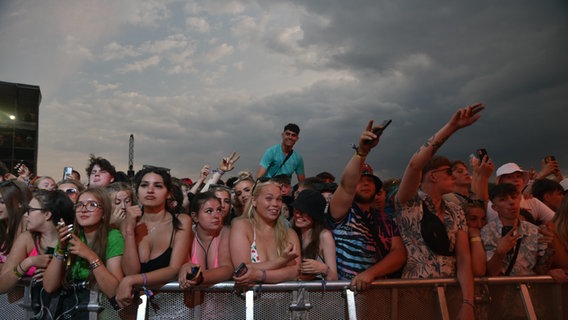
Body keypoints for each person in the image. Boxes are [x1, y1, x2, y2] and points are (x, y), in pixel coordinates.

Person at [395, 103, 484, 320]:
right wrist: (451, 128)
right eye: (448, 172)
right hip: (415, 297)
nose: (454, 176)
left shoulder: (455, 211)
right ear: (433, 176)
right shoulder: (409, 203)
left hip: (451, 294)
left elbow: (463, 259)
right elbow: (415, 165)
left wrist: (468, 303)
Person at [328, 120, 406, 291]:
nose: (365, 184)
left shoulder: (384, 219)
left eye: (370, 180)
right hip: (345, 295)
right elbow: (347, 185)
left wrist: (371, 273)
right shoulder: (342, 214)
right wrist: (362, 152)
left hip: (377, 295)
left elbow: (399, 253)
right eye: (360, 180)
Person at [116, 167, 192, 308]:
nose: (150, 190)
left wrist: (131, 280)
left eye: (158, 186)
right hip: (137, 307)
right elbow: (130, 271)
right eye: (144, 185)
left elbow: (173, 269)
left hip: (173, 308)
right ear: (137, 192)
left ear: (168, 193)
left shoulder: (182, 221)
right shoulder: (127, 223)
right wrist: (130, 230)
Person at [43, 188, 124, 319]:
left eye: (92, 205)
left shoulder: (113, 236)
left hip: (101, 313)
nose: (84, 209)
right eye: (80, 205)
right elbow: (49, 287)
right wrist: (61, 248)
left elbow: (114, 291)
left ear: (104, 212)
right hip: (70, 312)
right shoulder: (71, 236)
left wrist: (90, 256)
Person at [0, 190, 74, 294]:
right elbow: (2, 285)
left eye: (30, 210)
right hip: (33, 308)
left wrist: (56, 275)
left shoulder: (72, 239)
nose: (25, 215)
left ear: (47, 214)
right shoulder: (27, 239)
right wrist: (28, 262)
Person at [230, 180, 301, 287]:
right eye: (269, 198)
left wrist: (259, 275)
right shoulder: (242, 226)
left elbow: (295, 271)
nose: (275, 204)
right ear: (254, 201)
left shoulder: (289, 233)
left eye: (279, 199)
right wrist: (282, 260)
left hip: (285, 301)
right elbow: (242, 270)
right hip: (250, 300)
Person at [480, 183, 550, 276]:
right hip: (501, 288)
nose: (511, 202)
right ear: (494, 207)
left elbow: (540, 270)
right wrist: (500, 253)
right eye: (503, 199)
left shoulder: (534, 230)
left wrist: (551, 247)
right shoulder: (487, 232)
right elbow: (492, 273)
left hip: (531, 287)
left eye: (514, 197)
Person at [178, 192, 232, 288]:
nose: (216, 215)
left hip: (221, 299)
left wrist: (200, 278)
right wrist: (185, 267)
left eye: (219, 210)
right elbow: (184, 265)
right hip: (192, 299)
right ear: (195, 216)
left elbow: (227, 269)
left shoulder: (226, 232)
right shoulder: (187, 234)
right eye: (209, 211)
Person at [486, 163, 555, 224]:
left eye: (518, 176)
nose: (516, 180)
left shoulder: (532, 201)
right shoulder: (493, 205)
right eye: (509, 177)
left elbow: (556, 222)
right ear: (501, 182)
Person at [292, 189, 338, 281]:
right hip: (294, 292)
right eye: (296, 210)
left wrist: (323, 269)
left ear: (314, 215)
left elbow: (334, 278)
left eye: (303, 212)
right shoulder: (292, 233)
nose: (298, 215)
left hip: (316, 293)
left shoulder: (324, 236)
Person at [0, 180, 30, 272]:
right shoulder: (4, 224)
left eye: (2, 202)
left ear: (20, 203)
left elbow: (12, 268)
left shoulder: (27, 226)